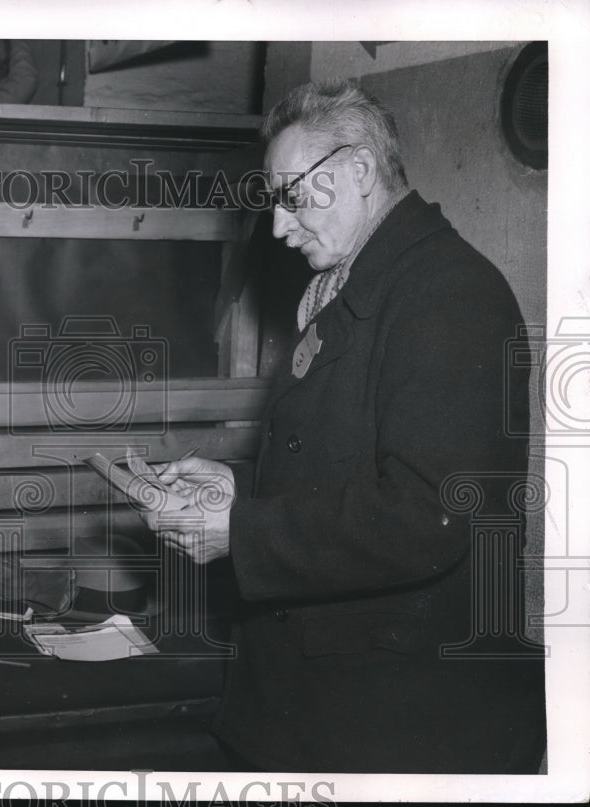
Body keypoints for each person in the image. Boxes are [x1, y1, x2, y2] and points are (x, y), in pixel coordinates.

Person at [144, 79, 545, 773]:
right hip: (330, 698)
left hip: (397, 719)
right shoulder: (359, 284)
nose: (279, 227)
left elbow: (425, 515)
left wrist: (242, 531)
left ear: (359, 170)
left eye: (292, 197)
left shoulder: (449, 294)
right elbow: (342, 464)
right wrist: (239, 489)